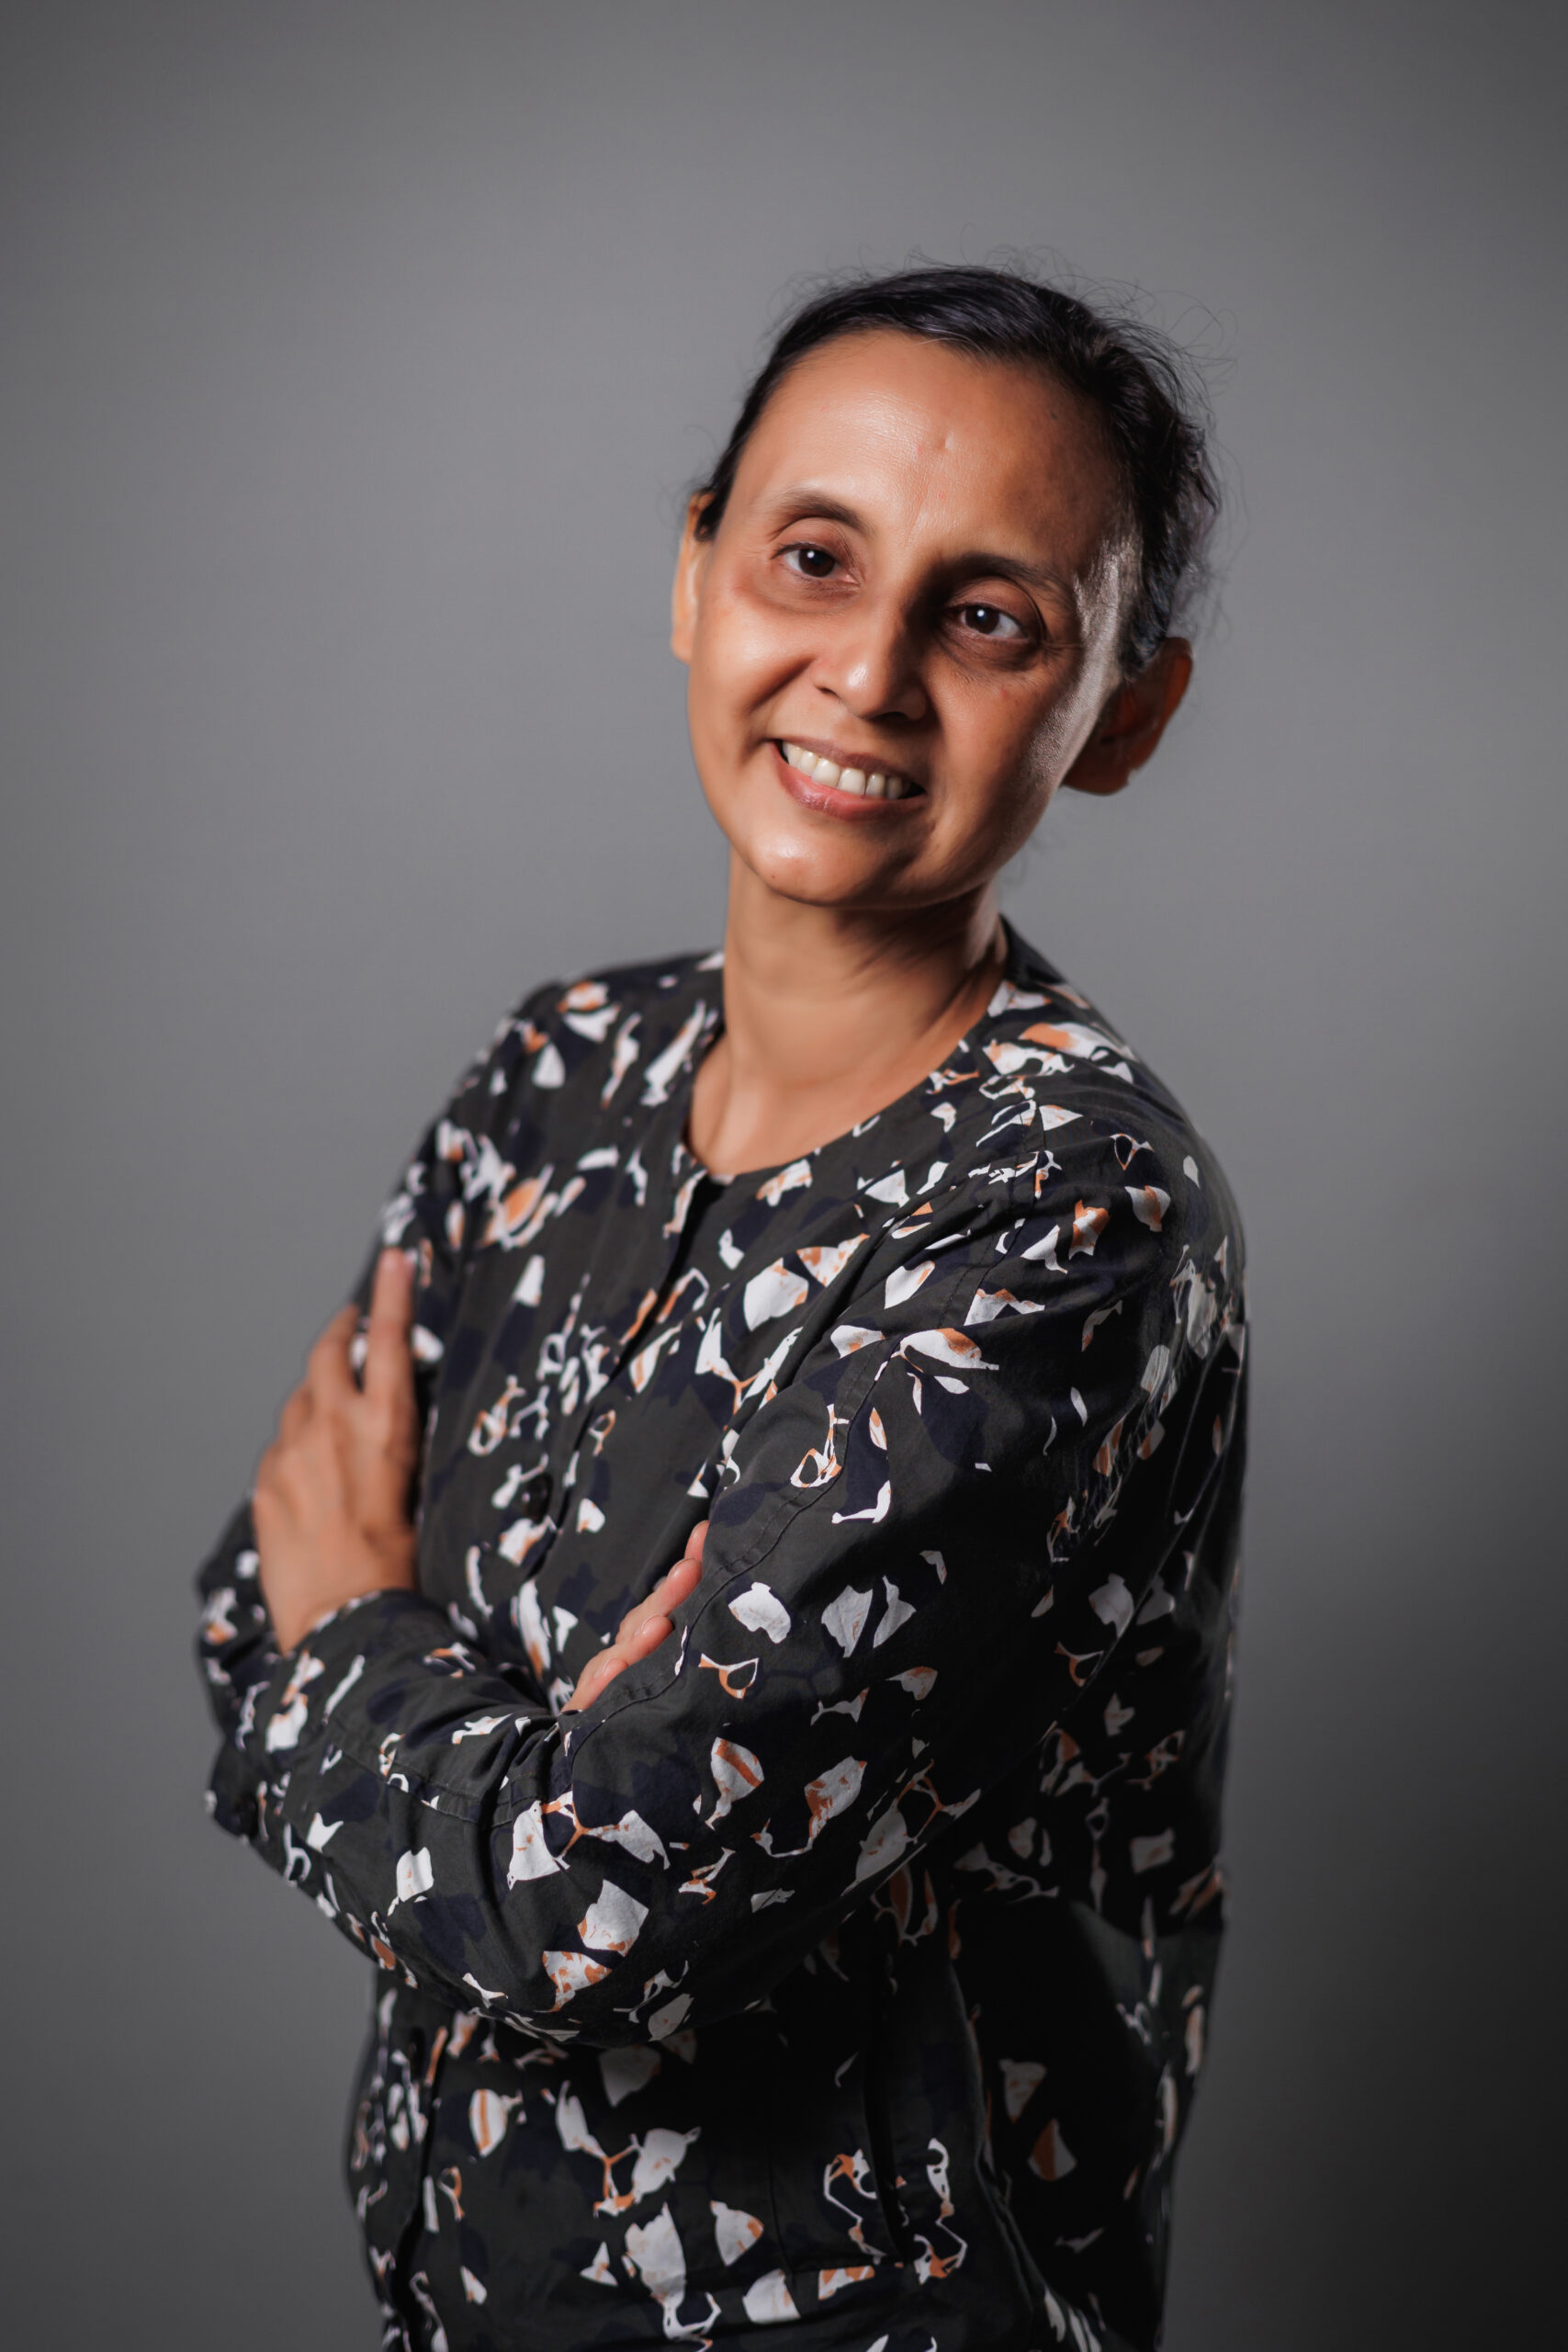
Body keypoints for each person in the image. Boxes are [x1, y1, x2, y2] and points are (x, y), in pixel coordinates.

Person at [197, 265, 1246, 2352]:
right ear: (696, 572)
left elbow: (591, 1913)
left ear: (1121, 713)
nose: (865, 671)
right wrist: (513, 1755)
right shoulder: (557, 1075)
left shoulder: (1062, 1210)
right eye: (812, 557)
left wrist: (376, 1646)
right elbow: (247, 1613)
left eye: (988, 615)